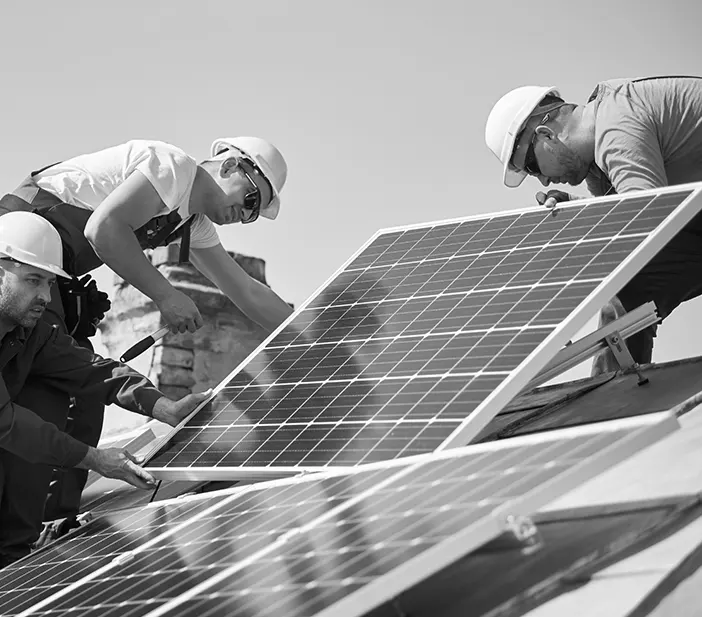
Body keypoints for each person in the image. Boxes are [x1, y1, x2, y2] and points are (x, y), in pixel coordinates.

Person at [0, 136, 294, 525]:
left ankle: (54, 523)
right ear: (228, 166)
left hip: (53, 275)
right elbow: (103, 231)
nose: (246, 214)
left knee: (84, 398)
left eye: (254, 213)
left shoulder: (194, 222)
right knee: (49, 394)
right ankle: (23, 537)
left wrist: (312, 333)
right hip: (21, 259)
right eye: (252, 199)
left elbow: (245, 291)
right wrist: (166, 296)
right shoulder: (171, 168)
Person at [0, 211, 210, 568]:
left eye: (48, 283)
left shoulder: (31, 332)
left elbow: (91, 370)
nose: (44, 296)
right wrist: (96, 459)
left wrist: (163, 407)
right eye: (33, 280)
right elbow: (8, 424)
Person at [485, 76, 702, 375]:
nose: (544, 181)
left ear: (547, 135)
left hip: (685, 219)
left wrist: (554, 308)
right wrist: (578, 211)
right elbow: (626, 220)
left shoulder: (617, 126)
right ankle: (617, 400)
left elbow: (647, 224)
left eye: (533, 168)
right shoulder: (599, 168)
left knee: (627, 281)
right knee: (627, 296)